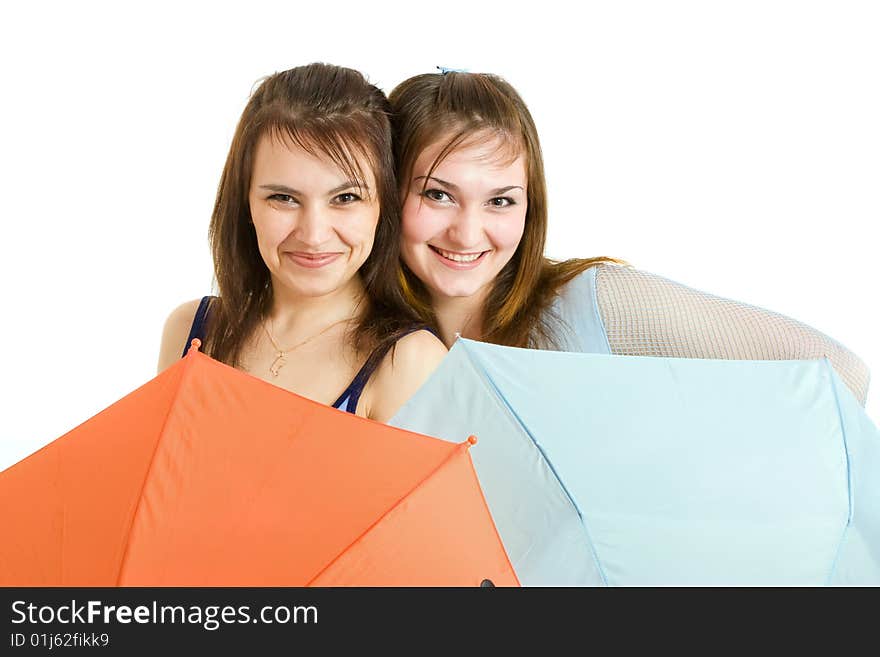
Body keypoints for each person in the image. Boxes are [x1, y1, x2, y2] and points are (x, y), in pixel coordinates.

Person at [388, 70, 870, 405]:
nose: (468, 232)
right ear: (386, 191)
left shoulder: (596, 307)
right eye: (438, 195)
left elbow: (840, 374)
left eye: (501, 201)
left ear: (531, 206)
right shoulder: (353, 340)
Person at [158, 63, 447, 423]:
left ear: (383, 204)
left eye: (345, 198)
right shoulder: (190, 331)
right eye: (283, 198)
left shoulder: (409, 363)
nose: (313, 235)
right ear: (245, 202)